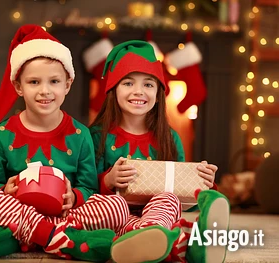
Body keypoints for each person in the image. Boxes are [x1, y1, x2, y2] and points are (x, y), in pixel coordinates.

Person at [0, 24, 130, 262]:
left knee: (117, 207)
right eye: (34, 82)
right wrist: (4, 190)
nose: (45, 91)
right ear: (19, 86)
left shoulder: (80, 134)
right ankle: (61, 238)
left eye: (53, 81)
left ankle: (26, 237)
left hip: (65, 214)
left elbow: (89, 188)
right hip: (17, 210)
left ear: (67, 85)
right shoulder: (1, 134)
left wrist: (74, 197)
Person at [89, 40, 230, 263]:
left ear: (158, 93)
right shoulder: (97, 136)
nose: (138, 91)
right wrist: (108, 179)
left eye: (148, 84)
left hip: (158, 217)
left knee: (168, 199)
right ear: (113, 89)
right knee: (112, 207)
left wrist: (201, 183)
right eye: (128, 83)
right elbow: (86, 188)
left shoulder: (170, 138)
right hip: (115, 215)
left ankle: (152, 238)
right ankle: (182, 243)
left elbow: (184, 200)